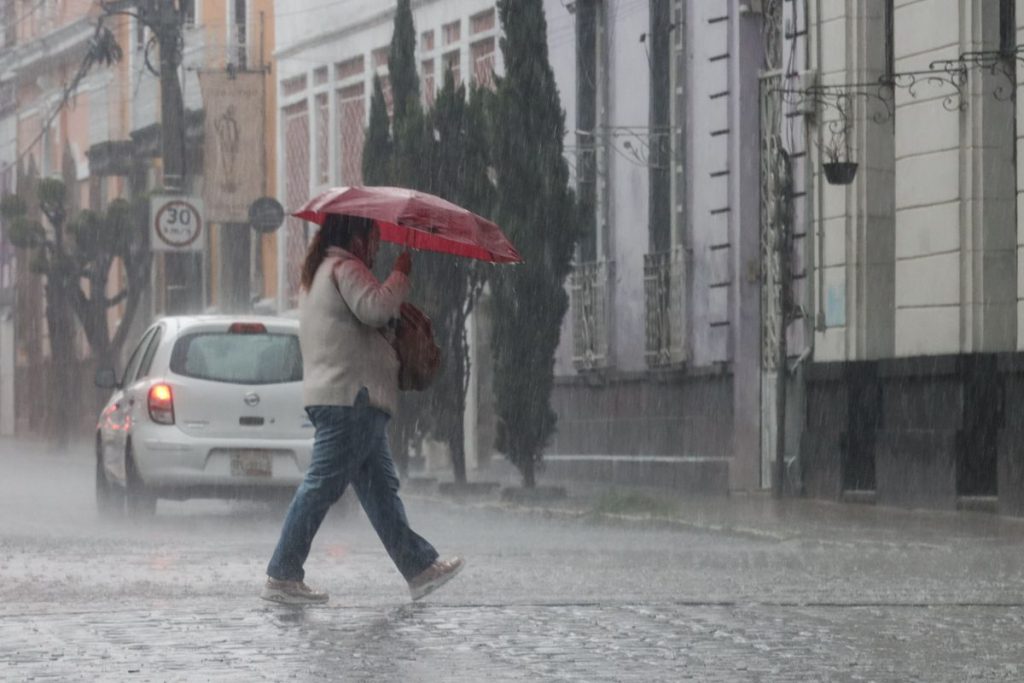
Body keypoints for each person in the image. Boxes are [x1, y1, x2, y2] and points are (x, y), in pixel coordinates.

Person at [262, 213, 463, 605]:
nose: (376, 249)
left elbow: (360, 325)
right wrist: (400, 276)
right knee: (321, 486)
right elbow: (375, 308)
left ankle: (419, 568)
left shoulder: (324, 271)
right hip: (350, 399)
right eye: (374, 239)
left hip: (351, 399)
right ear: (356, 240)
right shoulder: (345, 267)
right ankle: (282, 574)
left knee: (381, 491)